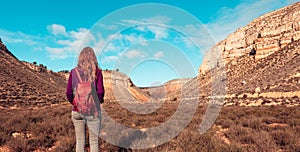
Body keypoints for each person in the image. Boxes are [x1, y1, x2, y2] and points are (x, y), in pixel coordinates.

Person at [66, 47, 105, 152]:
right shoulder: (98, 72)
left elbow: (68, 92)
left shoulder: (73, 72)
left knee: (79, 140)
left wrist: (75, 103)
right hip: (94, 112)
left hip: (77, 111)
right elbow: (100, 92)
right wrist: (97, 103)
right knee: (94, 142)